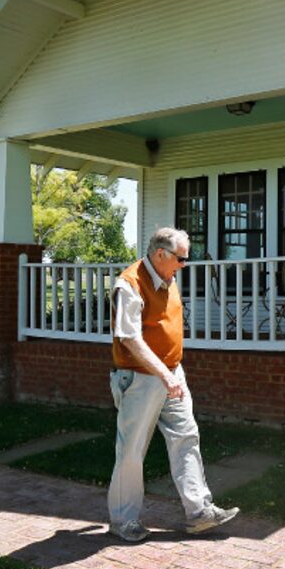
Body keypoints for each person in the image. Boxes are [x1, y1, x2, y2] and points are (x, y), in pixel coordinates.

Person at [107, 227, 239, 543]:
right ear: (160, 254)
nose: (184, 265)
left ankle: (199, 512)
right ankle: (123, 521)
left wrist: (171, 373)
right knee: (132, 450)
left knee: (186, 437)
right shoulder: (129, 285)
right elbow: (129, 339)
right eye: (180, 259)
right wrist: (164, 376)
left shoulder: (168, 278)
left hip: (171, 374)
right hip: (140, 378)